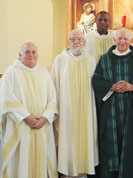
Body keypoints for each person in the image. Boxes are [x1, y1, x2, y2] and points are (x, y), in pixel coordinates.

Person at [92, 28, 133, 178]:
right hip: (111, 108)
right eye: (119, 39)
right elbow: (96, 80)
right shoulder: (104, 58)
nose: (122, 41)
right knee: (110, 142)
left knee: (131, 140)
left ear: (131, 41)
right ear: (114, 40)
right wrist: (111, 86)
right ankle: (110, 173)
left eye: (126, 39)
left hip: (132, 108)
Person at [0, 42, 58, 178]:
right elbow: (7, 98)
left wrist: (44, 118)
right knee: (21, 163)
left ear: (37, 55)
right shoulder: (11, 72)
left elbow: (53, 99)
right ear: (20, 55)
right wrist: (26, 116)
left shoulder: (44, 73)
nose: (31, 55)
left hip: (42, 127)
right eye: (27, 52)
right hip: (20, 126)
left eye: (33, 52)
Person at [51, 29, 98, 178]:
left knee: (85, 137)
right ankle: (67, 171)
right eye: (72, 39)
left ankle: (83, 171)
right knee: (67, 138)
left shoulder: (91, 60)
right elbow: (53, 85)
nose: (76, 42)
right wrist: (55, 108)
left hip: (86, 109)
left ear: (84, 42)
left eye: (79, 39)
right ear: (68, 42)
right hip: (66, 109)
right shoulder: (60, 60)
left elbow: (96, 86)